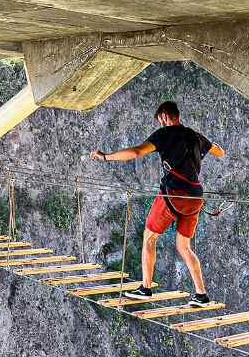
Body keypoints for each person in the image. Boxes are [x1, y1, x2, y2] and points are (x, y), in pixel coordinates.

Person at [90, 101, 224, 305]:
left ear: (164, 116)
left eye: (160, 120)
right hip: (195, 198)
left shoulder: (164, 134)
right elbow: (220, 152)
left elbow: (136, 153)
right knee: (184, 246)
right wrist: (205, 140)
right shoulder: (195, 136)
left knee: (149, 238)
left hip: (174, 195)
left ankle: (146, 288)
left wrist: (105, 157)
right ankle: (201, 295)